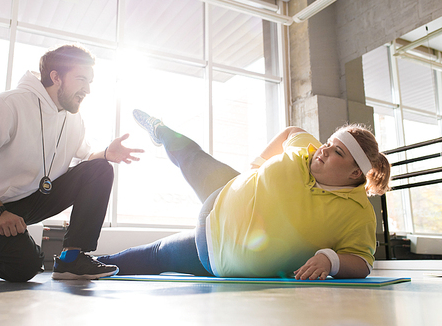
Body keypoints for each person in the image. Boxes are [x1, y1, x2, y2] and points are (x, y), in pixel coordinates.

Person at [97, 109, 391, 280]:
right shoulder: (308, 148)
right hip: (223, 194)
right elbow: (292, 131)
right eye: (329, 142)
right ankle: (160, 130)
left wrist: (330, 260)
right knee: (189, 155)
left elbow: (362, 262)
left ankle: (90, 265)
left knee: (155, 255)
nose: (324, 149)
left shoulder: (358, 214)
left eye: (337, 151)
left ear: (355, 173)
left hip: (212, 251)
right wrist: (257, 166)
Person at [0, 44, 143, 282]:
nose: (88, 89)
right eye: (82, 79)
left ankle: (72, 259)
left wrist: (105, 153)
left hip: (32, 199)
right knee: (25, 267)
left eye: (90, 81)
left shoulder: (74, 120)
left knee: (100, 169)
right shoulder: (8, 105)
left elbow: (83, 157)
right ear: (56, 77)